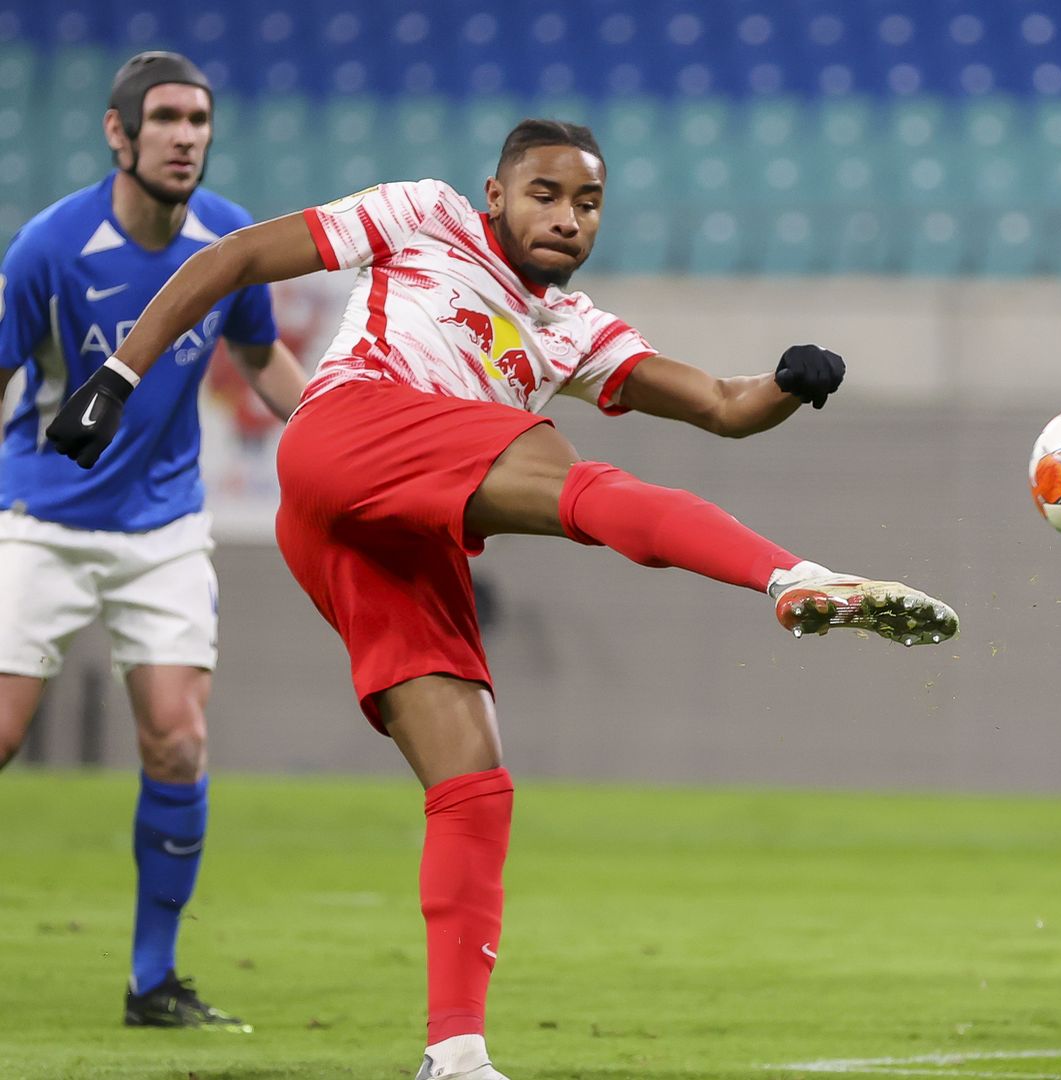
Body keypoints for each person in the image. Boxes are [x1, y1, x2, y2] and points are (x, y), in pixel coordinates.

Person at [43, 119, 956, 1080]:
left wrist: (787, 381)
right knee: (572, 476)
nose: (568, 217)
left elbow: (723, 406)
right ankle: (792, 577)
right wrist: (119, 372)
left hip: (381, 531)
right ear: (495, 195)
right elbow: (235, 257)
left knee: (472, 780)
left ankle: (456, 1053)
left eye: (589, 203)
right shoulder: (425, 215)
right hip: (349, 433)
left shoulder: (575, 332)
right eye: (546, 194)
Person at [0, 51, 306, 1032]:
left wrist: (339, 440)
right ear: (119, 133)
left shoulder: (229, 239)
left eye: (199, 119)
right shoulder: (48, 248)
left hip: (164, 528)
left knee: (177, 739)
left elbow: (260, 357)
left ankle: (153, 982)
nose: (186, 136)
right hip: (41, 518)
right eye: (166, 118)